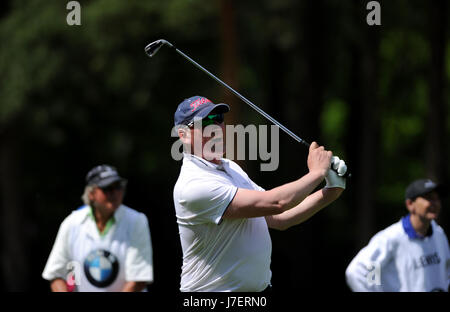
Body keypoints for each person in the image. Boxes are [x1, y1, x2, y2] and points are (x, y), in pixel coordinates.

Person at [172, 95, 347, 292]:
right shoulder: (192, 185)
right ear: (184, 134)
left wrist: (331, 191)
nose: (216, 128)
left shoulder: (230, 168)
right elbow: (277, 202)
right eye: (205, 122)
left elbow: (278, 218)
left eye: (218, 119)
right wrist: (316, 173)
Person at [42, 165, 154, 292]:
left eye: (118, 187)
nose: (114, 193)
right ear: (91, 194)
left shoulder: (136, 221)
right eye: (107, 188)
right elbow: (56, 274)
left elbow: (138, 279)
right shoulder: (72, 223)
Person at [345, 178, 450, 292]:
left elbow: (445, 272)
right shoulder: (391, 238)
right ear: (410, 204)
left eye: (437, 198)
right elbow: (359, 271)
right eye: (429, 198)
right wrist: (375, 289)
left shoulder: (439, 234)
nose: (435, 203)